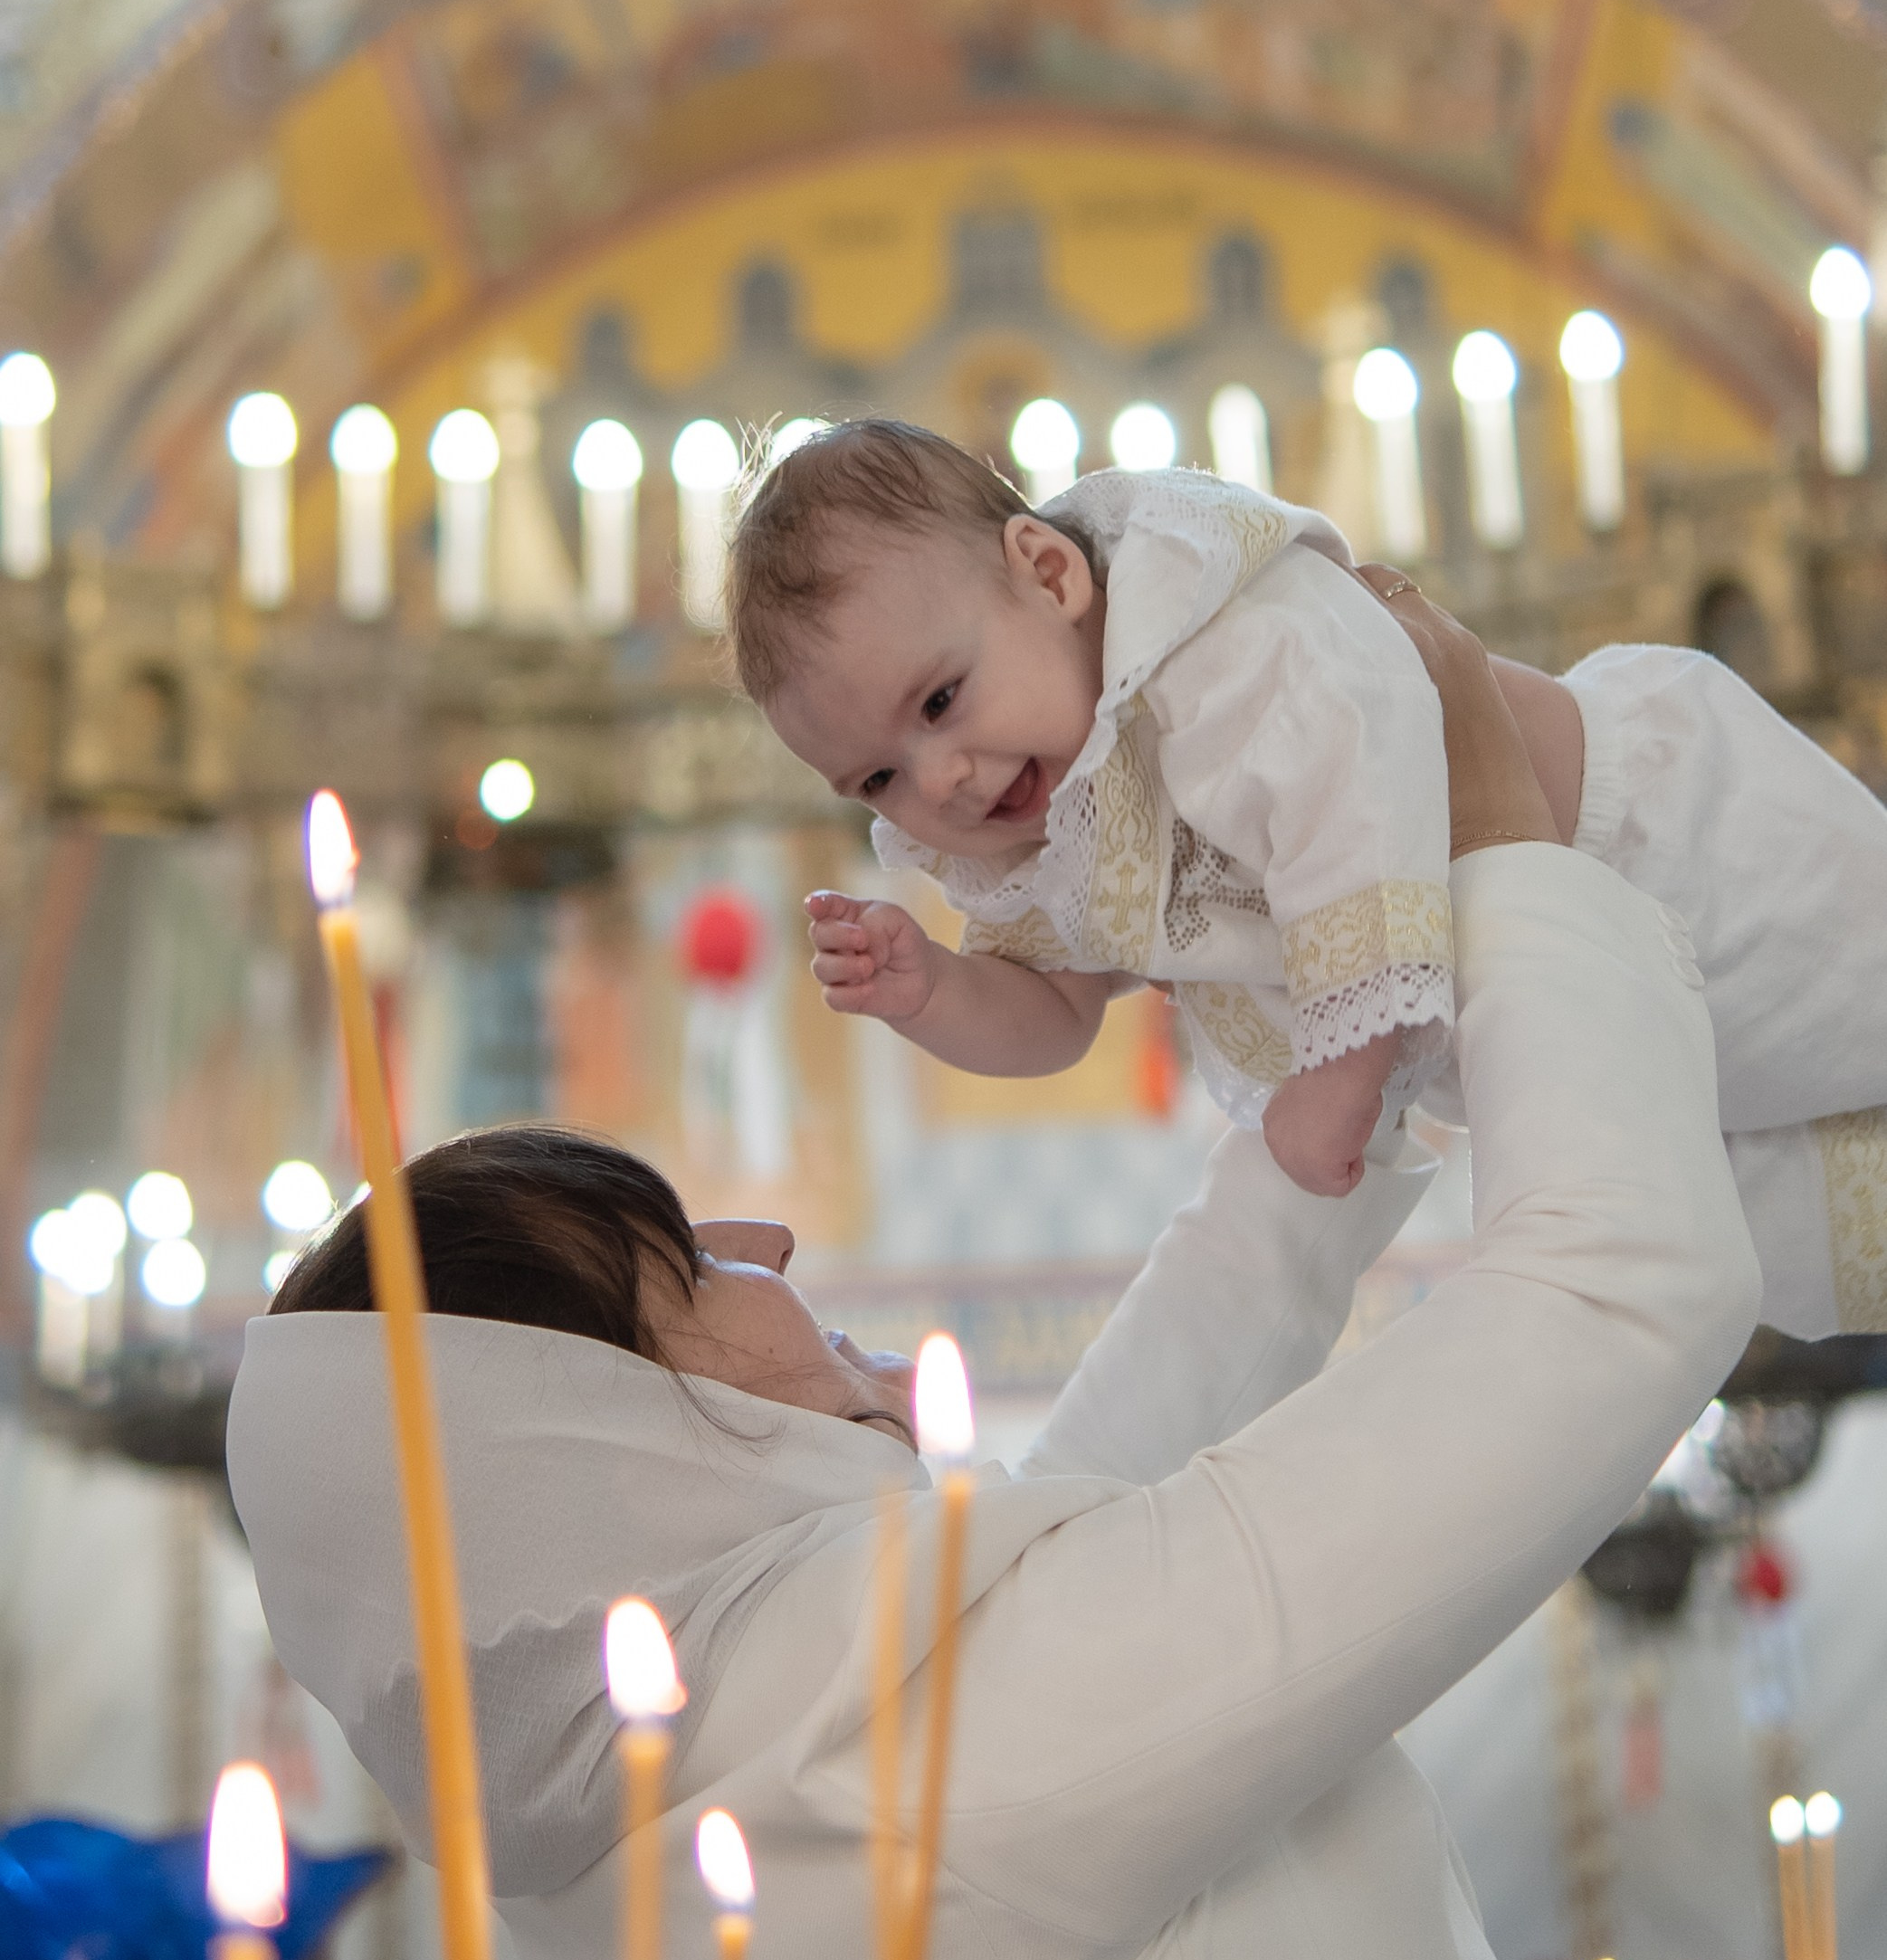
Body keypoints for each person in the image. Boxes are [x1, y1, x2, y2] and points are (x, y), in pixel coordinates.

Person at [231, 584, 1774, 1960]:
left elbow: (1110, 1487)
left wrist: (1334, 1054)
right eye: (677, 1259)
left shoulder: (691, 1809)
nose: (768, 1244)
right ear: (595, 1431)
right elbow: (1623, 1283)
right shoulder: (934, 1765)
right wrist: (1495, 839)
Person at [726, 417, 1887, 1324]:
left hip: (1660, 840)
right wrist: (933, 990)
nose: (942, 779)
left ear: (1045, 572)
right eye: (878, 778)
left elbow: (1352, 796)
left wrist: (1339, 1066)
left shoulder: (1209, 631)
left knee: (1859, 992)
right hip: (1565, 1003)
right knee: (1774, 1209)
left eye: (938, 700)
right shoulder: (1037, 833)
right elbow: (1049, 1013)